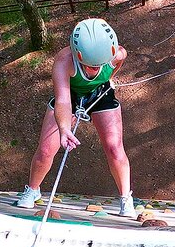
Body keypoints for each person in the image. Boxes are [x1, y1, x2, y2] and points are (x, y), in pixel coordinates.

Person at [18, 18, 136, 217]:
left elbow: (114, 68)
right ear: (77, 54)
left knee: (114, 147)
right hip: (70, 95)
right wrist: (64, 129)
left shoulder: (117, 53)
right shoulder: (64, 61)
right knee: (46, 149)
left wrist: (107, 80)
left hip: (100, 93)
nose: (94, 69)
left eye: (99, 65)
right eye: (89, 66)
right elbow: (62, 100)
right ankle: (33, 189)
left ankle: (126, 197)